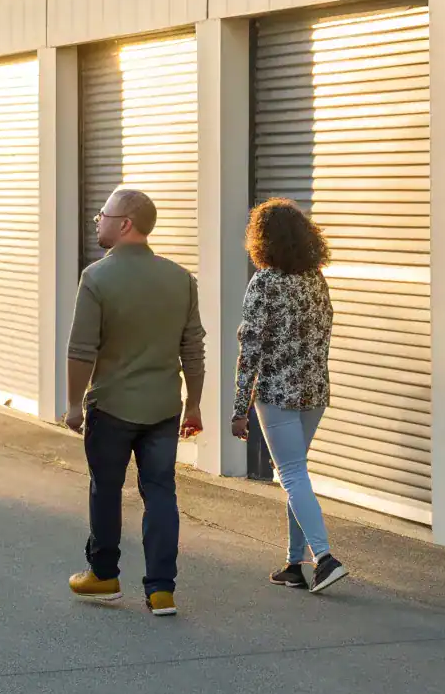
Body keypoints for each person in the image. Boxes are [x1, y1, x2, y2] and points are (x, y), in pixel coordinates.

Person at [63, 188, 205, 617]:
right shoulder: (181, 279)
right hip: (164, 408)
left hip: (111, 407)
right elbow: (193, 348)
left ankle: (103, 576)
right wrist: (193, 404)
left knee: (106, 489)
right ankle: (162, 590)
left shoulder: (97, 278)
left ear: (125, 223)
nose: (97, 221)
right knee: (161, 492)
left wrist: (73, 404)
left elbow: (81, 349)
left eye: (103, 215)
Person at [232, 197, 347, 594]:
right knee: (297, 472)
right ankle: (294, 565)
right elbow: (325, 332)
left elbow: (251, 347)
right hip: (315, 390)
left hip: (278, 393)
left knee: (291, 474)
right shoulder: (316, 278)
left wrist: (238, 408)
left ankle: (325, 557)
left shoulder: (265, 281)